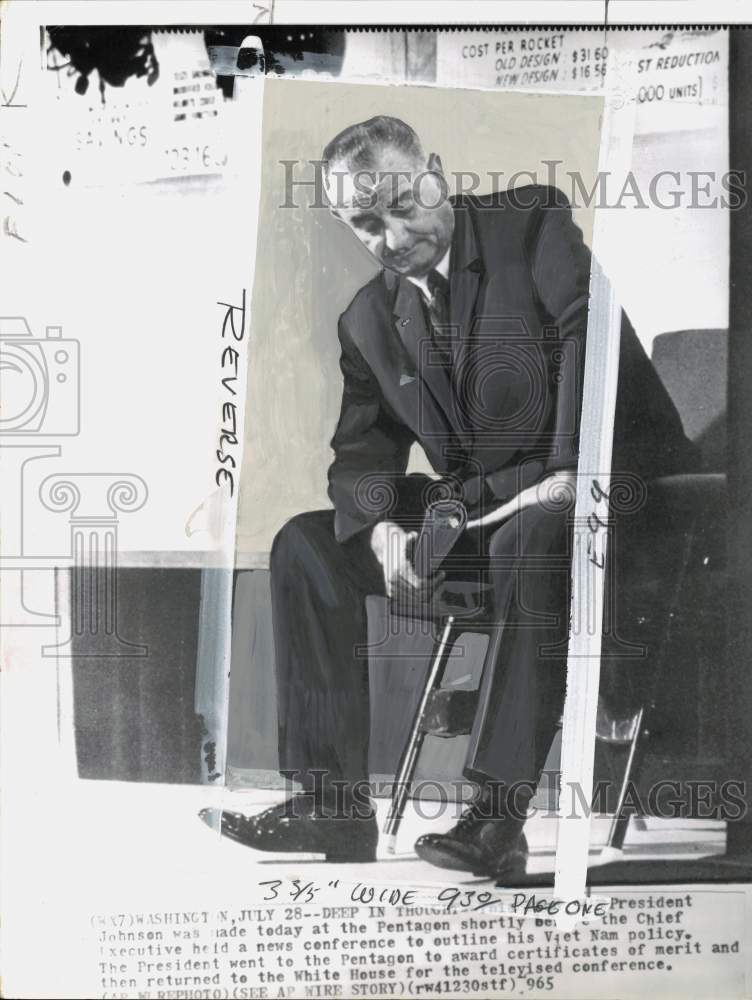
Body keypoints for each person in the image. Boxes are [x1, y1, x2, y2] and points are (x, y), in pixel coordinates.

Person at [216, 116, 697, 877]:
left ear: (435, 171)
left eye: (402, 203)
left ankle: (495, 817)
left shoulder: (528, 223)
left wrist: (570, 468)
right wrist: (375, 525)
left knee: (537, 523)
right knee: (309, 542)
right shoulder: (368, 318)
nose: (389, 236)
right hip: (490, 510)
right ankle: (331, 808)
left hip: (620, 495)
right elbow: (360, 452)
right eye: (363, 223)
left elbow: (588, 335)